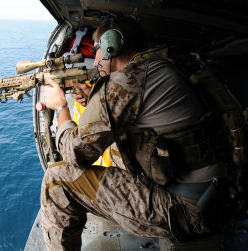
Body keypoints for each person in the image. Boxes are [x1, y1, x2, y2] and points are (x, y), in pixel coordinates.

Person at [41, 17, 231, 250]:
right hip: (210, 197)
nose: (96, 58)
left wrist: (60, 107)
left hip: (185, 211)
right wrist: (93, 98)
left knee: (56, 180)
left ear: (111, 47)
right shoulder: (159, 67)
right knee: (114, 145)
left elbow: (75, 152)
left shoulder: (128, 79)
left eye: (97, 49)